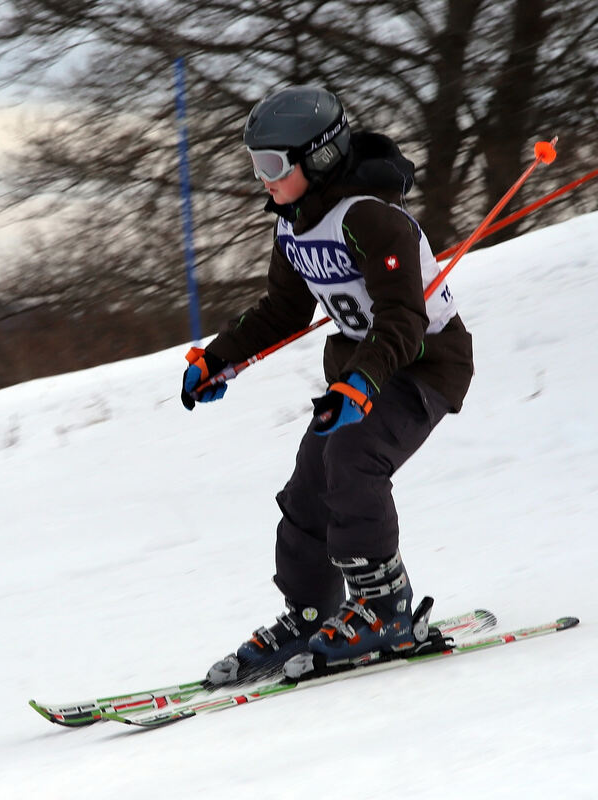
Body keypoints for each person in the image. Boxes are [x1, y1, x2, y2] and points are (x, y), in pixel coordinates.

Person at [181, 85, 474, 684]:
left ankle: (385, 609)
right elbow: (282, 312)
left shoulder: (371, 218)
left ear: (315, 159)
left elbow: (402, 317)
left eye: (271, 165)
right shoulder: (293, 224)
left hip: (422, 365)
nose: (261, 179)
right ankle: (313, 611)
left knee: (354, 457)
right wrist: (220, 360)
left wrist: (362, 381)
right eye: (254, 164)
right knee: (310, 481)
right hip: (359, 375)